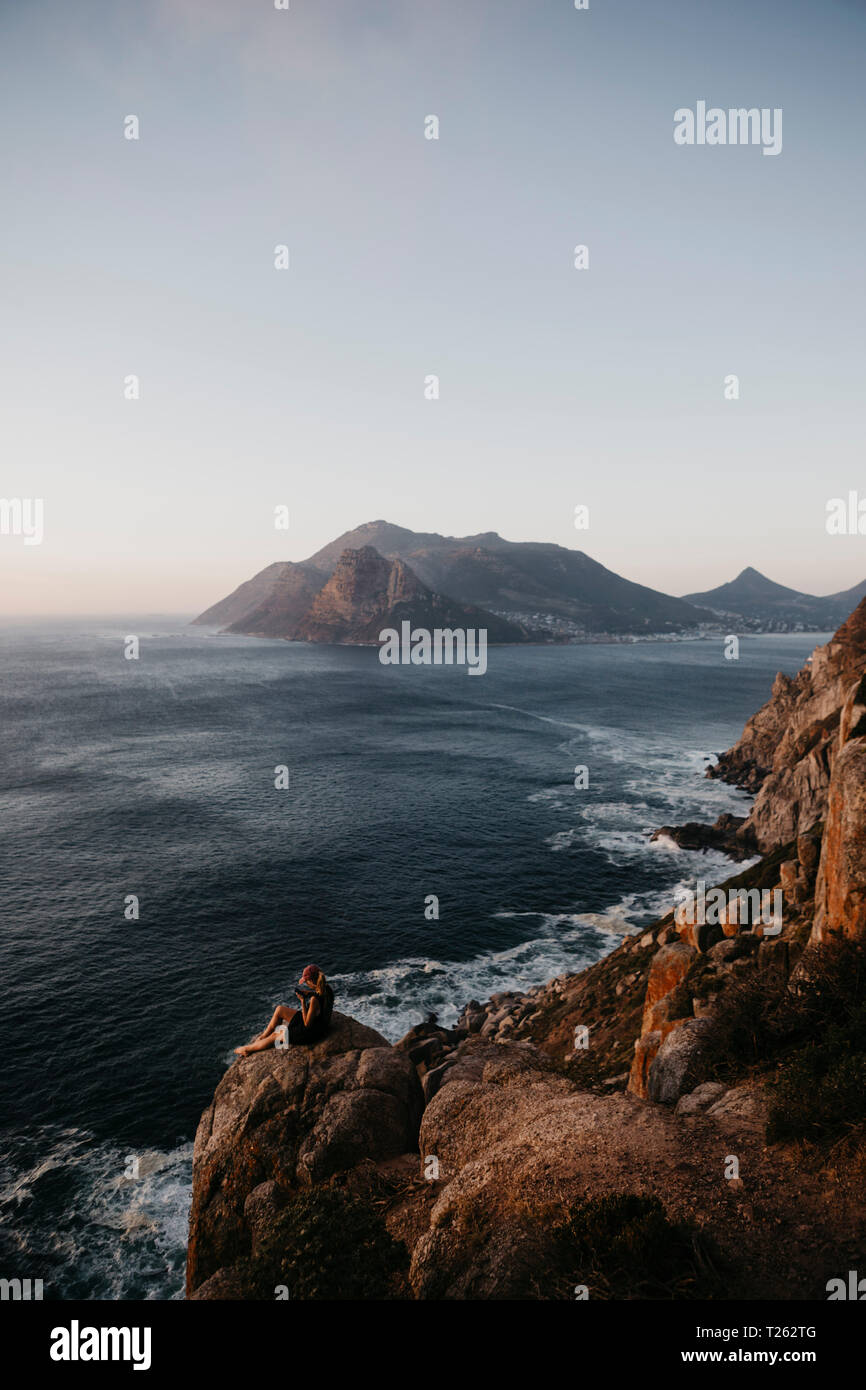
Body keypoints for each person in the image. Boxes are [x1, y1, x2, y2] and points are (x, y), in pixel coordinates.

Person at [234, 965, 334, 1056]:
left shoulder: (314, 1000)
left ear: (311, 981)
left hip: (310, 1032)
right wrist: (308, 993)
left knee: (276, 1035)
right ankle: (263, 1037)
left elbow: (307, 1024)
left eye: (306, 982)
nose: (306, 984)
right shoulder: (327, 989)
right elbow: (319, 998)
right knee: (280, 1009)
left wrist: (303, 1002)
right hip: (318, 1023)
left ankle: (247, 1049)